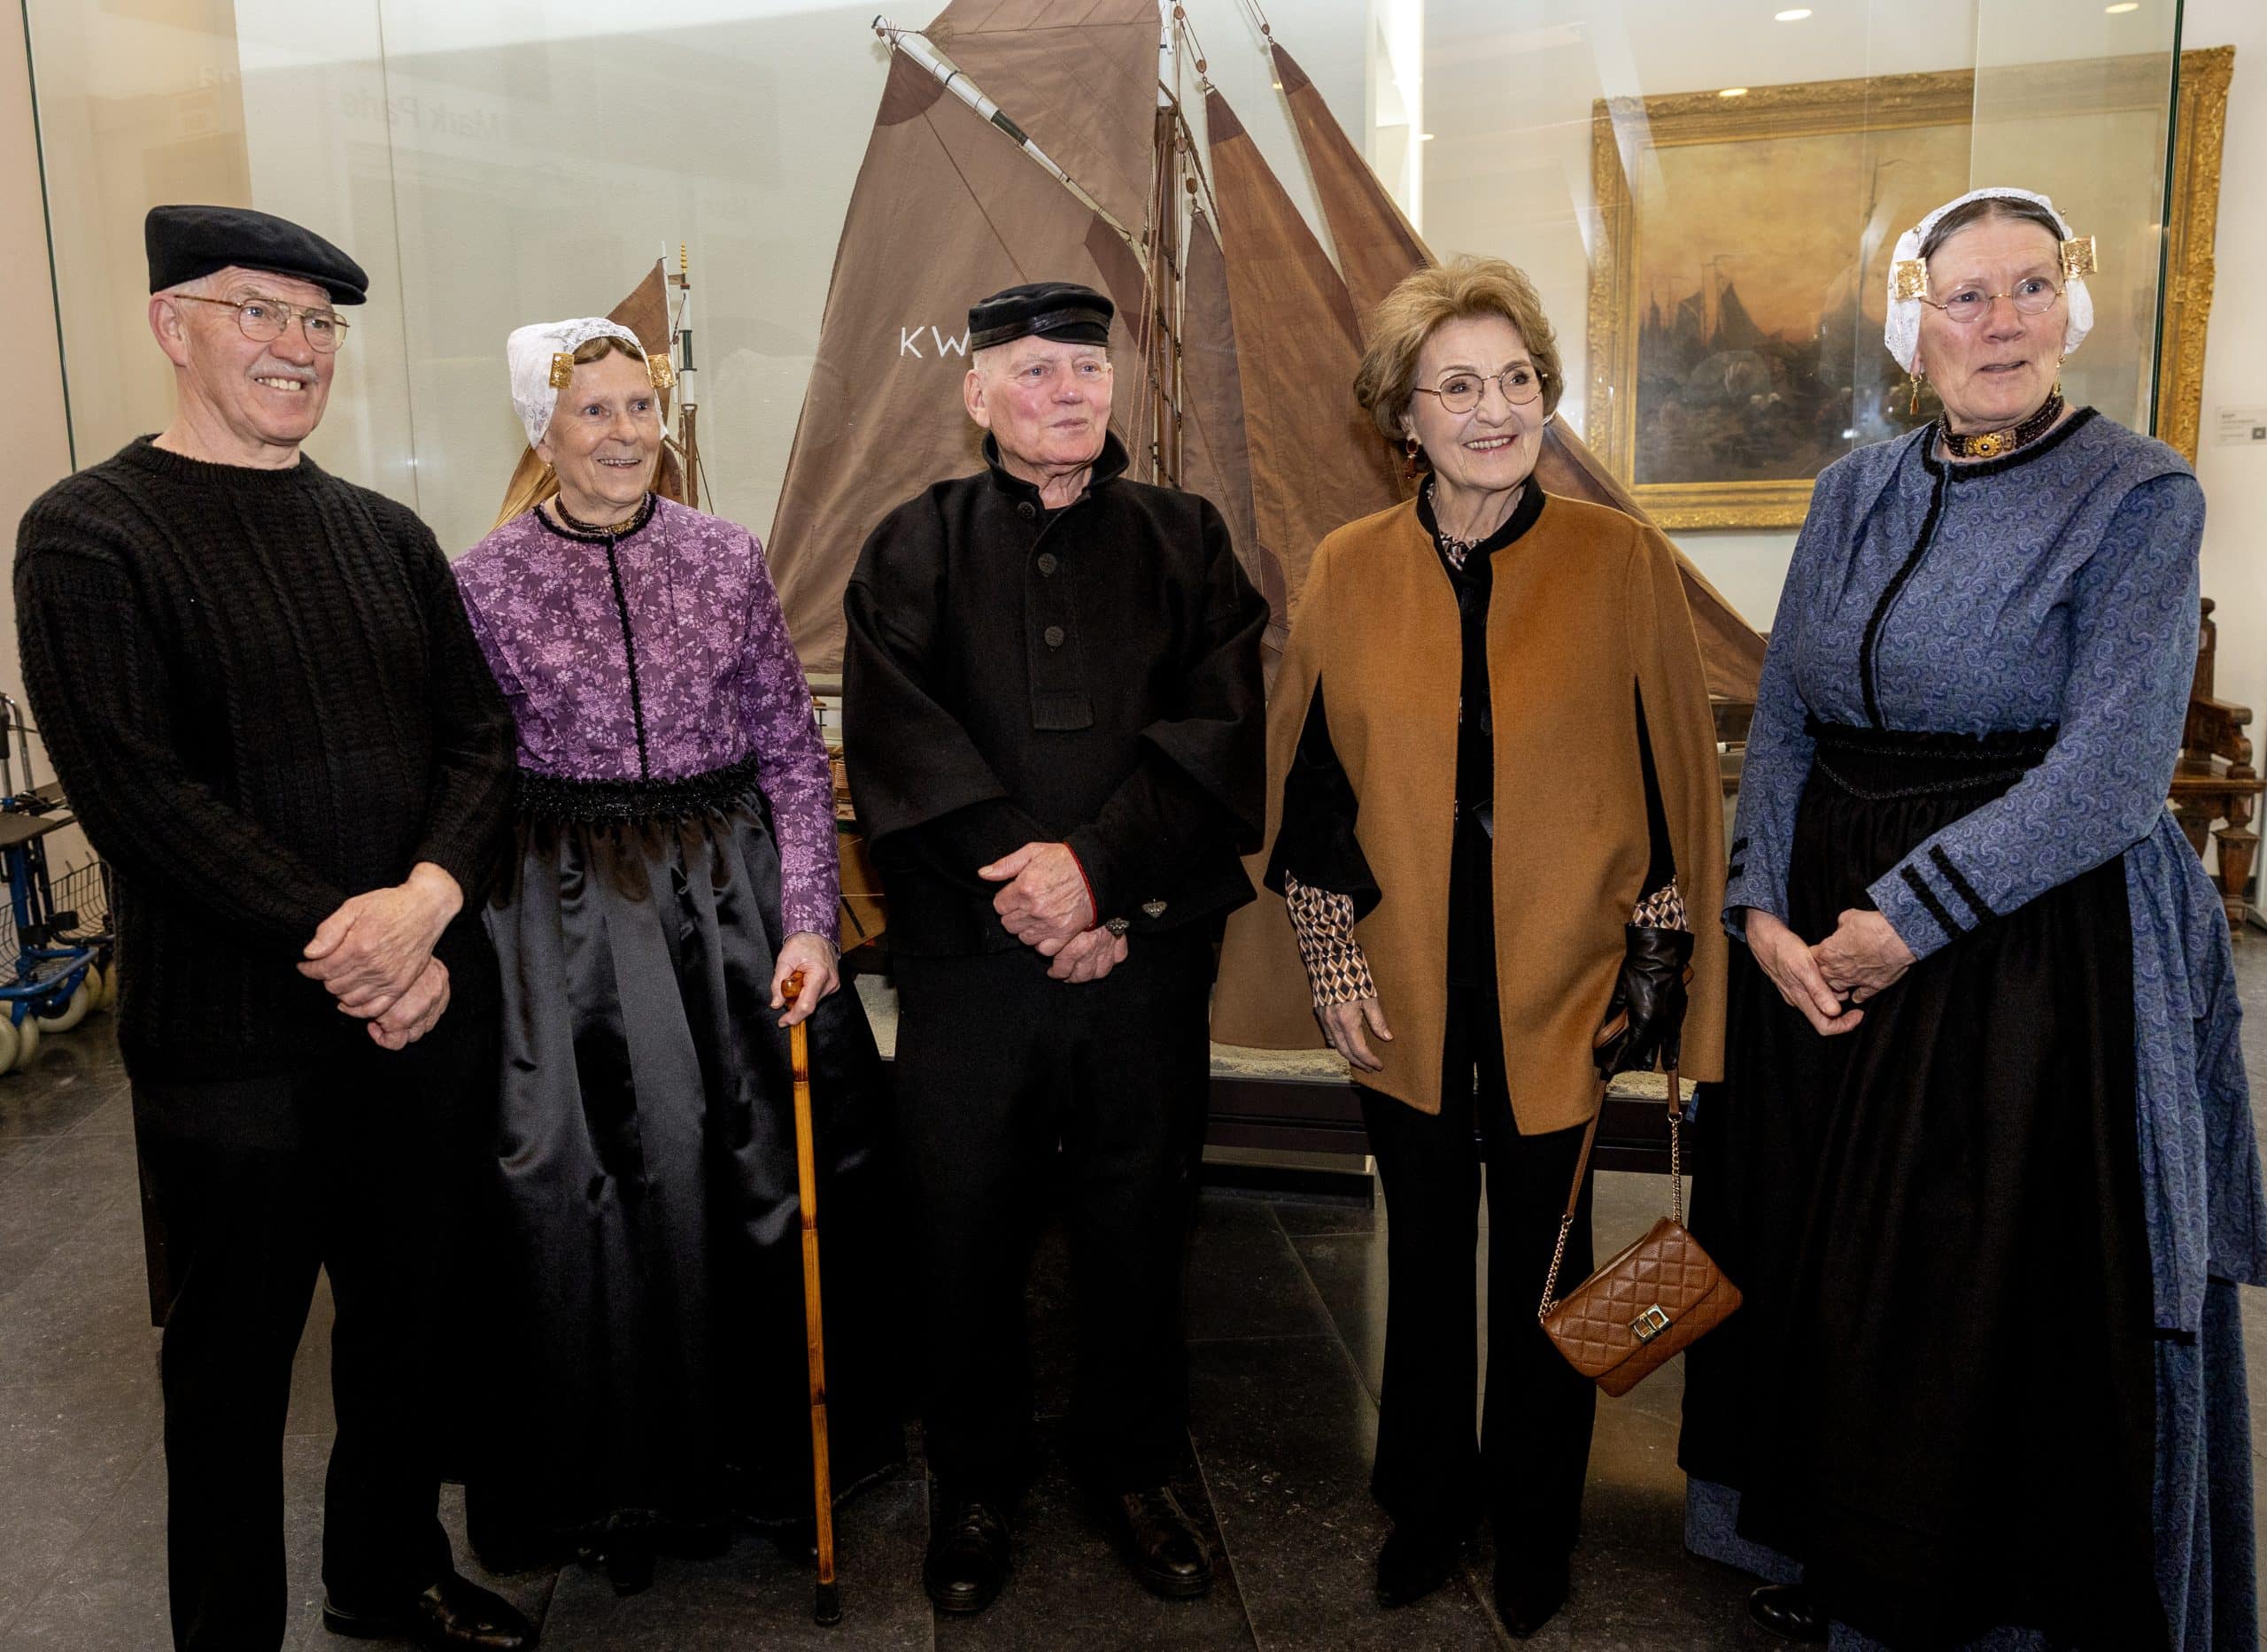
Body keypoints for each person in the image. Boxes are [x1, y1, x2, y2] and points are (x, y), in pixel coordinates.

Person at [1677, 188, 2267, 1651]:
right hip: (1821, 936)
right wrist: (1761, 910)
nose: (2001, 322)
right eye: (1967, 295)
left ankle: (1955, 1589)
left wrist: (1906, 919)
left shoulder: (2138, 494)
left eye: (2030, 287)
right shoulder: (1852, 491)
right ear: (1914, 326)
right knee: (1818, 1256)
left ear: (2071, 308)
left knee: (1954, 1282)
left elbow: (2112, 774)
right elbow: (1788, 713)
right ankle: (1825, 1536)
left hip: (2024, 939)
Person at [12, 205, 531, 1651]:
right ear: (172, 325)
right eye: (259, 311)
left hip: (421, 1020)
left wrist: (427, 905)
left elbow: (481, 743)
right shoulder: (88, 537)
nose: (297, 346)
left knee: (407, 1326)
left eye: (318, 322)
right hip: (235, 1051)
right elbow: (139, 793)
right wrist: (353, 942)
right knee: (230, 1373)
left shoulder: (386, 534)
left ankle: (386, 1571)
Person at [1211, 254, 1728, 1639]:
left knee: (1551, 1262)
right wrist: (1332, 958)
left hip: (1568, 978)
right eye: (1458, 386)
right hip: (1409, 984)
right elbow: (1309, 784)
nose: (1495, 410)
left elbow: (1673, 773)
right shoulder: (1349, 566)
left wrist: (1662, 949)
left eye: (1516, 380)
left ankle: (1538, 1521)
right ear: (1404, 416)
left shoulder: (1619, 559)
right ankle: (1429, 1501)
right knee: (1429, 1254)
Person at [451, 318, 900, 1591]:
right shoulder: (482, 581)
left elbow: (790, 755)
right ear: (542, 430)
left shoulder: (725, 554)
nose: (625, 433)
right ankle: (617, 1486)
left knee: (760, 1172)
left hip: (731, 907)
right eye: (593, 411)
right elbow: (470, 772)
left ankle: (767, 1466)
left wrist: (809, 917)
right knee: (586, 1187)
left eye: (640, 406)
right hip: (565, 919)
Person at [840, 280, 1267, 1614]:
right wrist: (1036, 891)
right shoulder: (911, 546)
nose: (1066, 390)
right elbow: (899, 744)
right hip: (971, 966)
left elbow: (1221, 731)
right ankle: (975, 1481)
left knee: (1143, 1220)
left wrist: (1100, 886)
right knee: (962, 1224)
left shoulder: (1189, 541)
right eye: (1032, 370)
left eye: (1086, 366)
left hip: (1143, 956)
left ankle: (1135, 1465)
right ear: (975, 393)